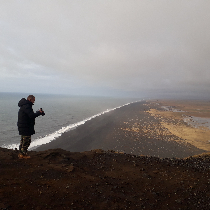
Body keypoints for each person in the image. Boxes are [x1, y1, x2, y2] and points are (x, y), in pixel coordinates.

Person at [17, 95, 45, 159]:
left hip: (23, 126)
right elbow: (31, 115)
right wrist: (39, 113)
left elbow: (29, 115)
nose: (34, 102)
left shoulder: (25, 106)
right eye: (33, 100)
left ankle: (21, 153)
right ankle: (23, 154)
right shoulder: (27, 106)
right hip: (25, 126)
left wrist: (38, 113)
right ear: (30, 100)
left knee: (23, 140)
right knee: (26, 141)